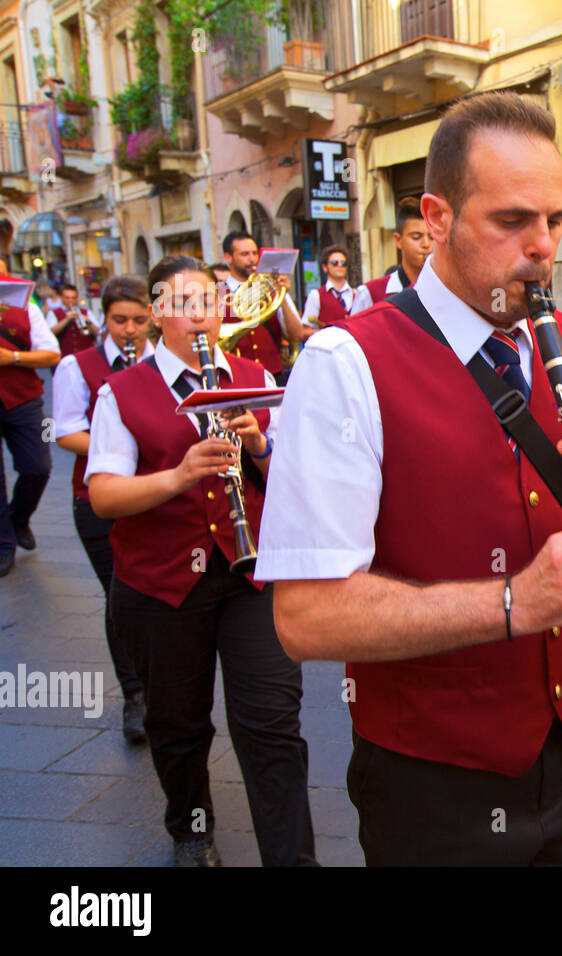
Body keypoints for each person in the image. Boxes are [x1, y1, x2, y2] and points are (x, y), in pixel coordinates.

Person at [256, 91, 562, 866]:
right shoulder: (343, 365)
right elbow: (306, 617)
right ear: (439, 216)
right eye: (513, 221)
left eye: (554, 220)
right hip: (435, 783)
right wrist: (515, 601)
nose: (543, 247)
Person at [86, 256, 315, 867]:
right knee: (179, 724)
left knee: (272, 724)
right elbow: (104, 493)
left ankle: (293, 859)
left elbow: (297, 479)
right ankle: (192, 828)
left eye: (207, 303)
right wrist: (180, 475)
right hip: (160, 584)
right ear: (159, 313)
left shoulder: (252, 373)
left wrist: (262, 445)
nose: (197, 317)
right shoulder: (123, 391)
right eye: (182, 304)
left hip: (250, 575)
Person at [52, 275, 154, 740]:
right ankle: (134, 694)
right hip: (97, 500)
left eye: (138, 320)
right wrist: (118, 449)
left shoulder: (158, 364)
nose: (129, 330)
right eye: (119, 321)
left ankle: (161, 687)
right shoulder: (78, 366)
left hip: (152, 497)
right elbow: (65, 429)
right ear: (104, 318)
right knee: (119, 596)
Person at [0, 281, 61, 575]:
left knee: (38, 466)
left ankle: (18, 518)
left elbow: (51, 354)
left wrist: (12, 357)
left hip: (23, 399)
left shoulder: (26, 306)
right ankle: (4, 543)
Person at [220, 230, 308, 385]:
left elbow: (297, 334)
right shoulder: (217, 293)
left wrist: (282, 296)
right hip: (237, 378)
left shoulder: (271, 288)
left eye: (254, 253)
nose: (252, 259)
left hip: (274, 376)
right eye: (244, 254)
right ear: (228, 257)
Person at [349, 197, 432, 313]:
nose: (426, 244)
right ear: (398, 240)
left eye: (431, 237)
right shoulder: (369, 294)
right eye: (416, 237)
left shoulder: (446, 290)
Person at [301, 244, 354, 329]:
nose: (340, 265)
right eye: (334, 263)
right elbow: (305, 329)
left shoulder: (357, 294)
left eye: (344, 263)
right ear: (325, 267)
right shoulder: (316, 295)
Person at [47, 283, 100, 357]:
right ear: (61, 297)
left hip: (86, 355)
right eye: (67, 298)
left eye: (73, 298)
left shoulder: (86, 312)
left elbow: (99, 332)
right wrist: (67, 319)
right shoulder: (53, 313)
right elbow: (50, 332)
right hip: (64, 356)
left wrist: (89, 322)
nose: (70, 301)